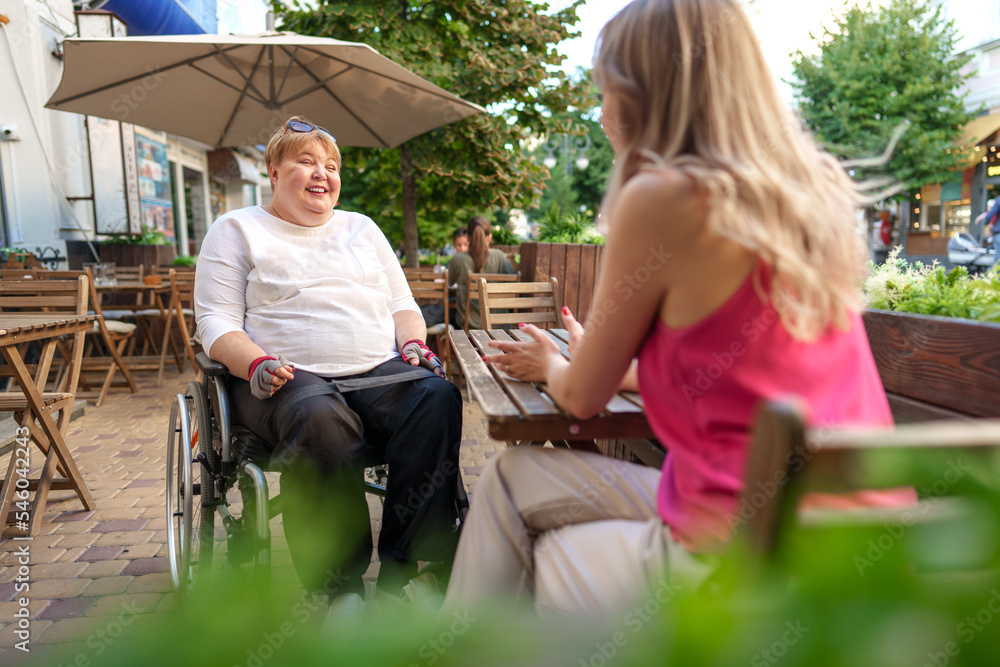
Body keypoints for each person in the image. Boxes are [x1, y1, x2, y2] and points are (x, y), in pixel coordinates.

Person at [441, 0, 914, 616]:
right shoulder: (802, 198)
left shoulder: (663, 198)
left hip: (756, 552)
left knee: (546, 552)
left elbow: (580, 399)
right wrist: (598, 362)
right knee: (509, 477)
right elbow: (734, 377)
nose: (601, 112)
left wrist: (552, 365)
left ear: (642, 95)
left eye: (606, 90)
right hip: (855, 533)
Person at [195, 116, 463, 611]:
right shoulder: (237, 229)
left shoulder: (362, 228)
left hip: (377, 372)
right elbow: (215, 322)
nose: (323, 173)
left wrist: (413, 345)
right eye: (307, 161)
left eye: (332, 166)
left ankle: (407, 575)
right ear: (274, 172)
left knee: (435, 397)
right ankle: (340, 591)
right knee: (319, 417)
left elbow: (403, 307)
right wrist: (255, 364)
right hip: (282, 381)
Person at [447, 216, 515, 330]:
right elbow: (514, 286)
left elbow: (449, 282)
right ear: (489, 237)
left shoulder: (458, 259)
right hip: (499, 326)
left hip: (468, 325)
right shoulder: (499, 256)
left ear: (467, 237)